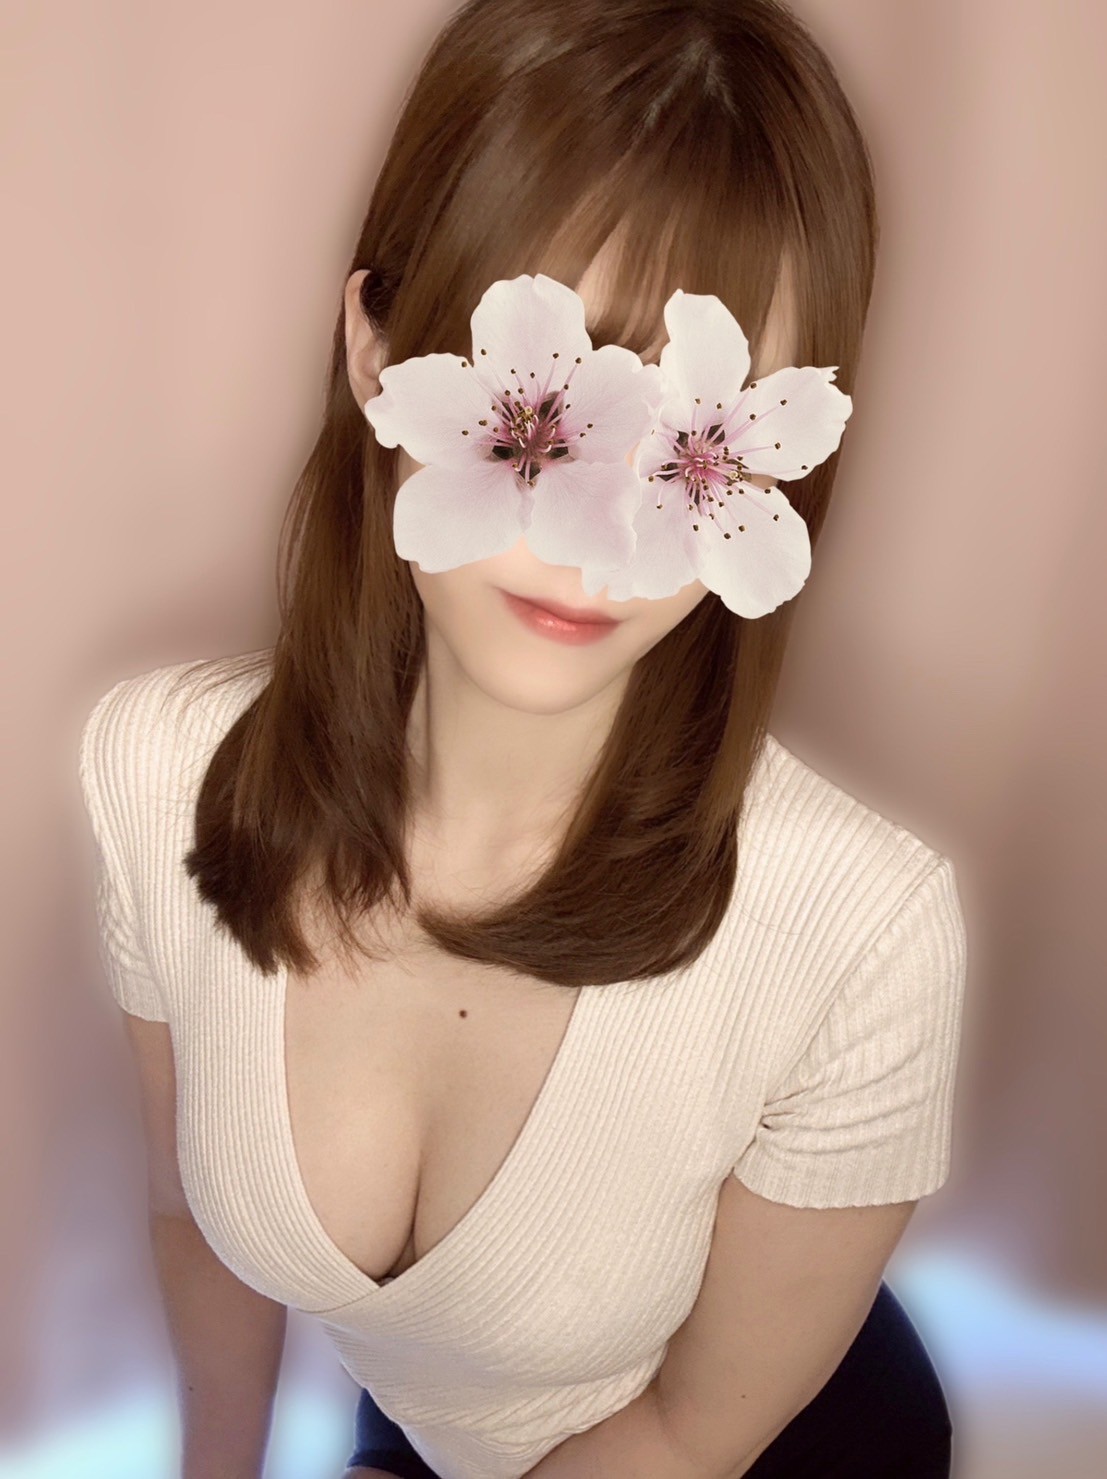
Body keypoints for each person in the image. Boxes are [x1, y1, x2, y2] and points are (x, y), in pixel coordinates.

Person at [77, 1, 967, 1476]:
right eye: (547, 416)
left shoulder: (864, 930)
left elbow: (691, 1432)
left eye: (697, 447)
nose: (600, 541)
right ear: (378, 350)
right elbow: (192, 1215)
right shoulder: (157, 773)